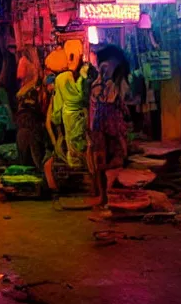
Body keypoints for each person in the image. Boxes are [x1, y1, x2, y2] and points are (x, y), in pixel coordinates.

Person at [45, 41, 91, 200]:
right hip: (83, 113)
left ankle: (77, 177)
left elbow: (58, 106)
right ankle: (84, 176)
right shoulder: (81, 74)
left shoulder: (61, 79)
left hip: (69, 115)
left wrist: (55, 120)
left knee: (73, 145)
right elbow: (84, 95)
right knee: (82, 144)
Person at [89, 45, 132, 208]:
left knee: (102, 162)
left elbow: (94, 108)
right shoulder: (112, 86)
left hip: (101, 128)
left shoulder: (97, 86)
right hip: (108, 128)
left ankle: (105, 196)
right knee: (117, 159)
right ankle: (106, 196)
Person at [13, 49, 50, 169]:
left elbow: (19, 75)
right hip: (29, 119)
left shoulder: (33, 87)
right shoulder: (35, 83)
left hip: (28, 119)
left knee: (30, 151)